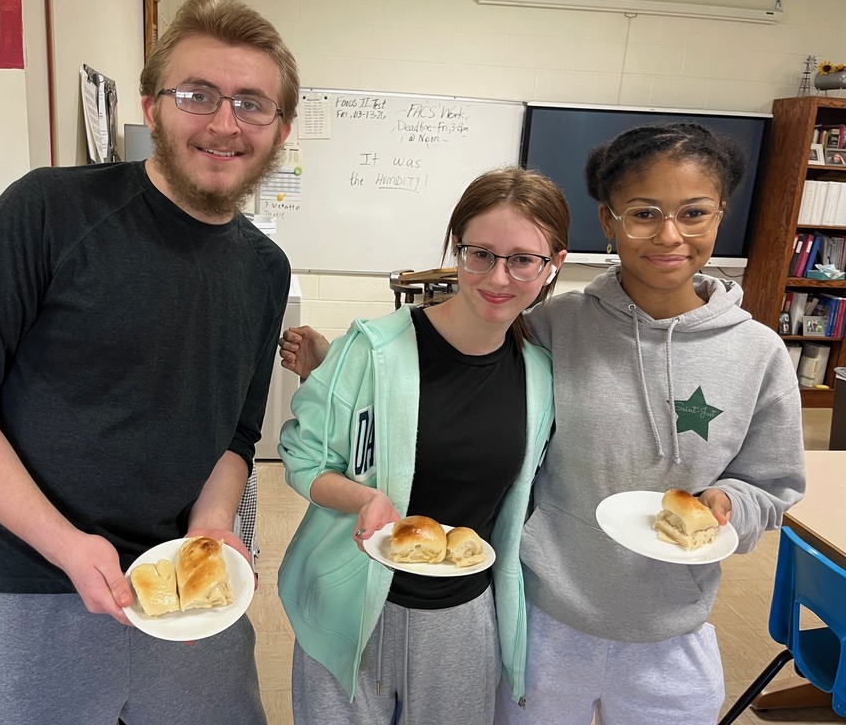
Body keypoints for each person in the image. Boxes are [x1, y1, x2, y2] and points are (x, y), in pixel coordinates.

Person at [280, 123, 806, 724]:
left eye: (693, 212)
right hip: (537, 610)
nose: (669, 234)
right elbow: (403, 392)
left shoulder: (751, 352)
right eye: (644, 213)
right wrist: (335, 368)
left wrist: (728, 503)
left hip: (648, 619)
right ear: (608, 221)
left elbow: (773, 483)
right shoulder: (556, 329)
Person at [0, 0, 298, 725]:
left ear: (280, 129)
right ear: (151, 106)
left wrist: (212, 525)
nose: (223, 122)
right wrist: (65, 544)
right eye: (197, 95)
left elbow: (235, 434)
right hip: (23, 576)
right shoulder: (49, 211)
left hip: (178, 585)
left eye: (251, 103)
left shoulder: (264, 268)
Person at [278, 166, 570, 724]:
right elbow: (305, 459)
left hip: (461, 617)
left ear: (553, 266)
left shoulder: (540, 377)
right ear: (455, 249)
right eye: (479, 253)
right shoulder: (372, 350)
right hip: (353, 603)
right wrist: (362, 499)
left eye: (523, 259)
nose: (498, 277)